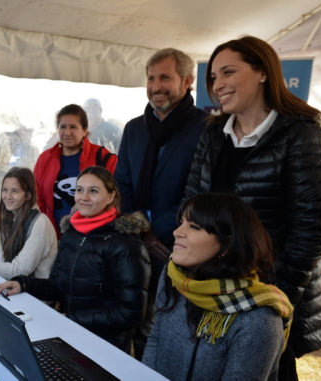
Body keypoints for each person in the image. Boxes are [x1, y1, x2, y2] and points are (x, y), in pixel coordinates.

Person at [184, 36, 321, 380]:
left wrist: (270, 299)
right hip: (213, 288)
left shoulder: (303, 136)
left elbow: (311, 231)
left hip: (269, 294)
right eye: (214, 77)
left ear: (263, 72)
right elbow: (191, 208)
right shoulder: (211, 134)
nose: (217, 84)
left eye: (228, 72)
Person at [0, 166, 150, 353]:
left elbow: (130, 313)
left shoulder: (126, 243)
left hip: (106, 346)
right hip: (70, 335)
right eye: (79, 190)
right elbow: (58, 286)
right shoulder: (72, 234)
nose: (83, 197)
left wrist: (70, 320)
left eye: (93, 191)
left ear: (111, 197)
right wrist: (23, 284)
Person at [113, 48, 207, 358]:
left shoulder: (206, 128)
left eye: (165, 77)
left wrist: (159, 232)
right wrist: (143, 232)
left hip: (180, 249)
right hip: (136, 244)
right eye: (150, 78)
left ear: (187, 80)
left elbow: (199, 194)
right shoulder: (134, 128)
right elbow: (120, 186)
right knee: (132, 324)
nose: (155, 86)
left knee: (167, 333)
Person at [143, 193, 293, 381]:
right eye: (181, 222)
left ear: (227, 244)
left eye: (194, 227)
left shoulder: (258, 318)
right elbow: (156, 338)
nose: (177, 232)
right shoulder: (173, 275)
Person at [34, 104, 117, 238]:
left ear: (85, 130)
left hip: (93, 237)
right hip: (53, 236)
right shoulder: (45, 160)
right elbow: (38, 198)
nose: (67, 132)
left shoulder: (103, 158)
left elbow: (116, 197)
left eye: (73, 127)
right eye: (62, 127)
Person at [0, 126, 39, 249]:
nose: (29, 134)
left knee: (20, 212)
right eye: (27, 130)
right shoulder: (5, 139)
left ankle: (15, 241)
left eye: (31, 132)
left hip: (21, 185)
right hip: (2, 180)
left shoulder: (33, 149)